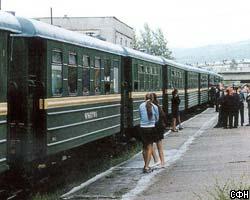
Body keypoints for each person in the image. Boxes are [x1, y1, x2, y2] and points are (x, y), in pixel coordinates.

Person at [139, 93, 159, 173]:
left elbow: (140, 116)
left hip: (142, 128)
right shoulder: (155, 107)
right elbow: (157, 119)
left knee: (144, 147)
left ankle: (145, 165)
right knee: (150, 147)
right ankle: (147, 167)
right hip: (151, 128)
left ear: (145, 98)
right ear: (152, 99)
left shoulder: (141, 105)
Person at [151, 93, 168, 168]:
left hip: (154, 127)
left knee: (150, 145)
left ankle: (156, 160)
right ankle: (163, 162)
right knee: (160, 146)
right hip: (160, 127)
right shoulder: (158, 106)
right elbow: (163, 116)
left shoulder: (151, 107)